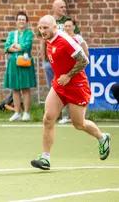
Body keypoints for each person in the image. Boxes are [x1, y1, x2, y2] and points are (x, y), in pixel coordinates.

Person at [31, 15, 111, 170]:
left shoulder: (66, 41)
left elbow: (84, 60)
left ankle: (102, 138)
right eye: (40, 28)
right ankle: (45, 158)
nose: (42, 31)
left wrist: (68, 76)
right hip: (59, 85)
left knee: (78, 124)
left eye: (46, 28)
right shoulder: (47, 39)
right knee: (48, 118)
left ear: (55, 27)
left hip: (76, 85)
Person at [39, 0, 80, 124]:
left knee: (66, 86)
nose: (64, 9)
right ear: (54, 7)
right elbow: (42, 42)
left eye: (64, 7)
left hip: (65, 60)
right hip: (50, 60)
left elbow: (76, 37)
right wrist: (43, 60)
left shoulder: (67, 21)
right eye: (61, 7)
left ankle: (66, 116)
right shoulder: (47, 21)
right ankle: (56, 114)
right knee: (53, 87)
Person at [4, 11, 36, 121]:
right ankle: (17, 112)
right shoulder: (12, 34)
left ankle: (26, 113)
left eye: (23, 19)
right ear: (16, 22)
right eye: (19, 19)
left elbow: (26, 45)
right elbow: (7, 47)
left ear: (26, 22)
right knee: (15, 89)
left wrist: (16, 46)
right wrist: (15, 47)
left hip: (25, 62)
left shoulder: (29, 33)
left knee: (25, 88)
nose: (21, 21)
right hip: (13, 63)